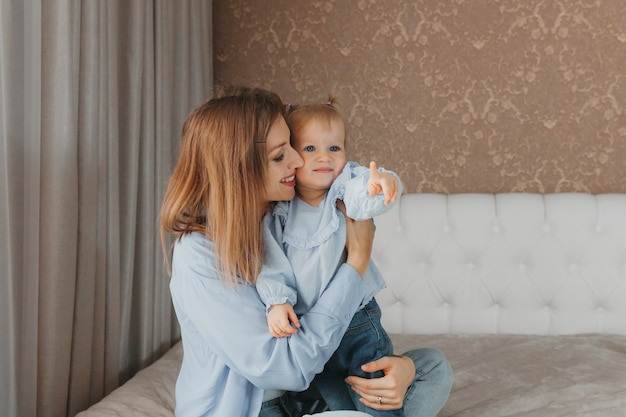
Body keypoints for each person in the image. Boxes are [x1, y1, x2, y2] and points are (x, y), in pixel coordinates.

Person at [160, 86, 453, 417]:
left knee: (432, 366)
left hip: (309, 391)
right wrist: (356, 264)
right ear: (239, 168)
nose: (300, 161)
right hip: (258, 408)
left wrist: (401, 372)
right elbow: (285, 370)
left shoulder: (283, 219)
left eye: (294, 147)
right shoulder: (199, 255)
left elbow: (361, 186)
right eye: (280, 155)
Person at [256, 96, 403, 416]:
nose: (325, 157)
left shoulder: (343, 187)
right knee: (326, 390)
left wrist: (381, 184)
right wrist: (277, 301)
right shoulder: (279, 211)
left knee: (372, 390)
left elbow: (365, 195)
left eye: (334, 148)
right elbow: (269, 261)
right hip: (309, 327)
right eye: (310, 149)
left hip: (357, 321)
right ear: (292, 155)